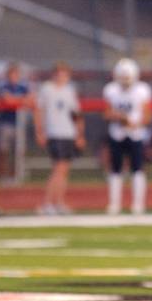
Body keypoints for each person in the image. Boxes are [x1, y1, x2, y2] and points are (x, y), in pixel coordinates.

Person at [34, 61, 85, 214]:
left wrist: (79, 134)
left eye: (65, 74)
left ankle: (59, 202)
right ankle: (47, 203)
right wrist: (40, 131)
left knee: (64, 170)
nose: (62, 77)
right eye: (60, 73)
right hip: (54, 133)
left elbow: (76, 114)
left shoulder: (70, 91)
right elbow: (38, 110)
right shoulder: (46, 89)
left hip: (68, 133)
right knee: (58, 168)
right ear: (54, 75)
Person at [103, 58, 152, 215]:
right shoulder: (111, 90)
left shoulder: (142, 90)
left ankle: (138, 204)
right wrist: (119, 117)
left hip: (136, 134)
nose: (125, 81)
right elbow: (106, 113)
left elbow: (147, 116)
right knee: (115, 169)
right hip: (117, 133)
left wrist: (134, 123)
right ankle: (114, 204)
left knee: (137, 169)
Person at [0, 62, 33, 181]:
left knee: (18, 151)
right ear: (8, 75)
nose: (14, 76)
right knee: (3, 150)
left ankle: (15, 175)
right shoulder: (3, 86)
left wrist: (17, 100)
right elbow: (7, 100)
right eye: (11, 74)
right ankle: (2, 176)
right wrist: (21, 100)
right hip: (6, 123)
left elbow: (31, 99)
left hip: (19, 125)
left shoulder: (23, 87)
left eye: (16, 74)